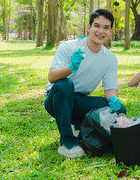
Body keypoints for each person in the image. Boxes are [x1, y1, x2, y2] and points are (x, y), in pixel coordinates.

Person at [44, 9, 126, 158]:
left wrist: (114, 100)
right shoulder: (69, 47)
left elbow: (110, 89)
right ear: (89, 27)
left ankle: (78, 127)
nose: (101, 31)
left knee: (120, 110)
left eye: (106, 27)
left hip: (79, 101)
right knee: (65, 84)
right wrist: (70, 68)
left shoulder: (110, 58)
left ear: (111, 31)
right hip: (57, 98)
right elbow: (52, 77)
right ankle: (66, 142)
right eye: (97, 26)